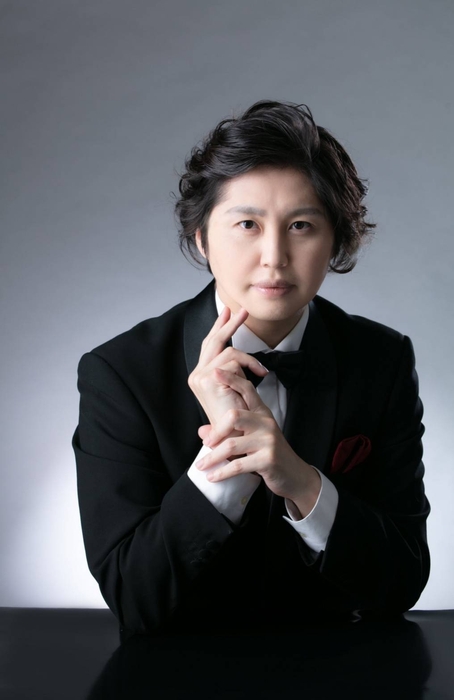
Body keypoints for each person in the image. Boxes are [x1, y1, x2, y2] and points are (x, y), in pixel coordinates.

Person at [72, 100, 430, 637]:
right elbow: (134, 597)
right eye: (247, 224)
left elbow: (403, 581)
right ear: (201, 238)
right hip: (177, 670)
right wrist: (225, 460)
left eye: (302, 225)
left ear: (335, 239)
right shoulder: (120, 373)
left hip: (342, 665)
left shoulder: (382, 360)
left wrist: (301, 482)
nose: (274, 256)